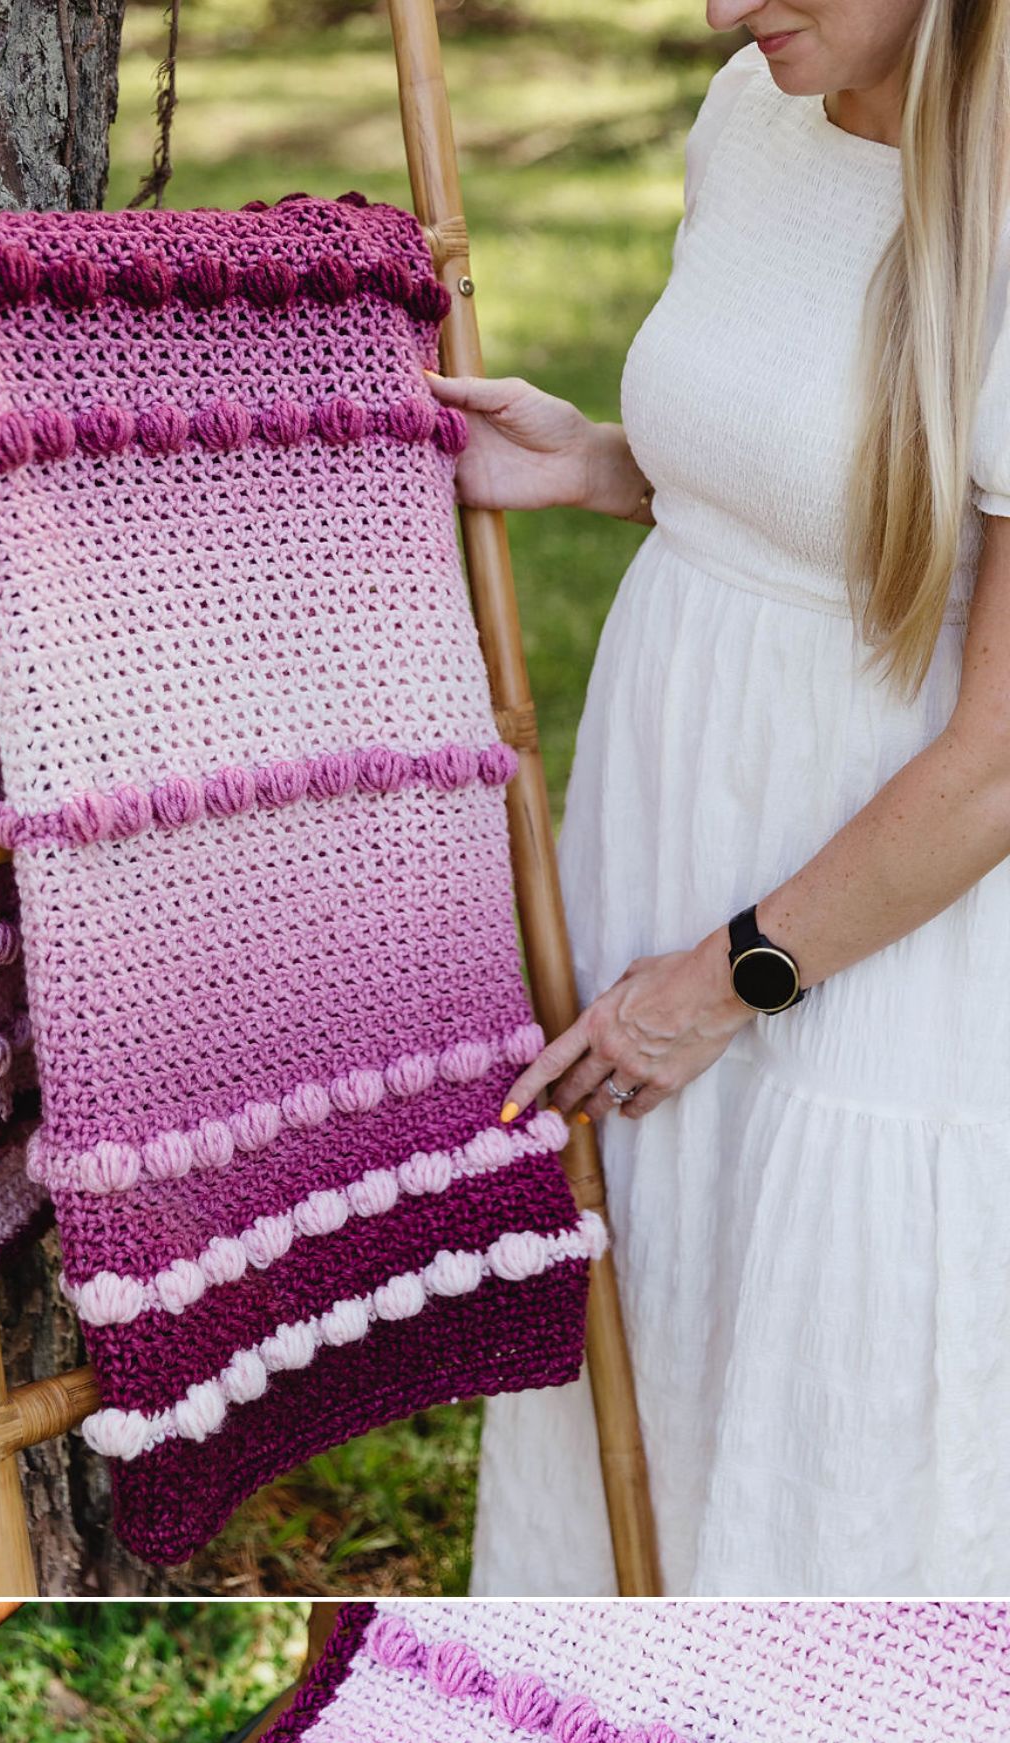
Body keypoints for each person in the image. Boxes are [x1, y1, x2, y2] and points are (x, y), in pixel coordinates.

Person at [426, 0, 1010, 1597]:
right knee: (659, 1300)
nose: (724, 10)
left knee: (842, 1368)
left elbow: (1001, 758)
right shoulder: (753, 111)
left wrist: (733, 976)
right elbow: (831, 490)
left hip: (888, 900)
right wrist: (608, 459)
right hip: (670, 809)